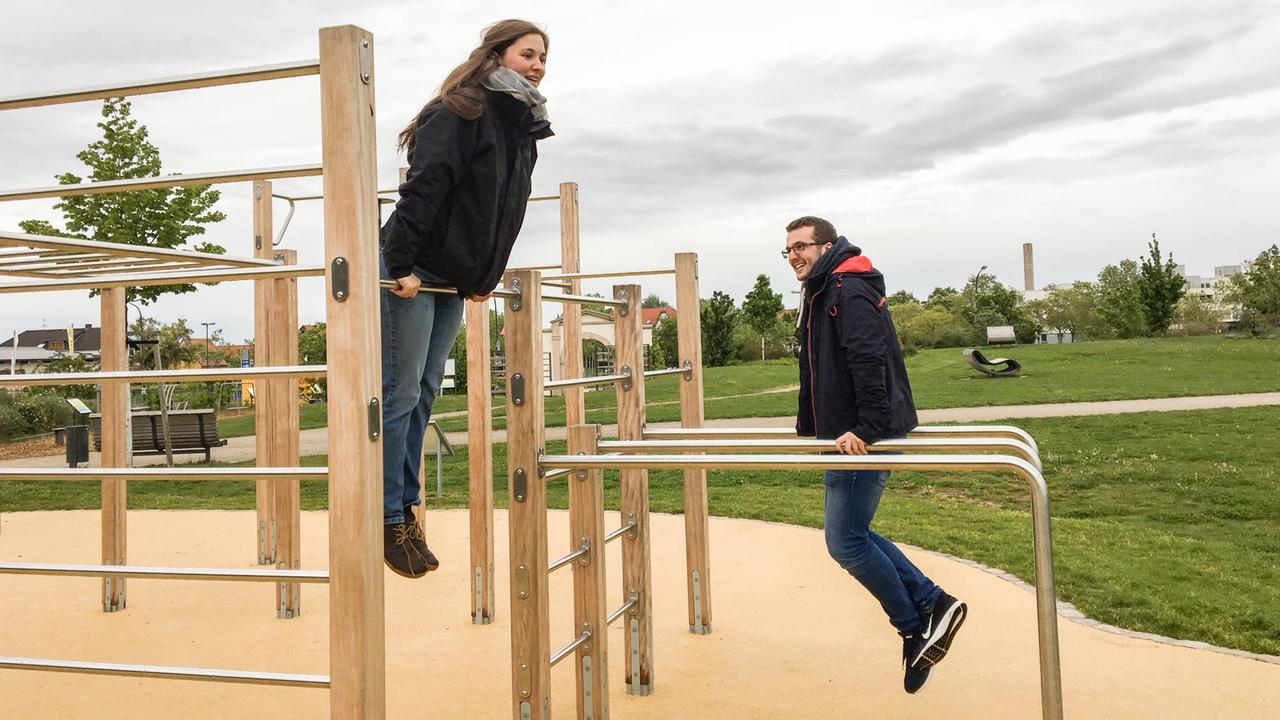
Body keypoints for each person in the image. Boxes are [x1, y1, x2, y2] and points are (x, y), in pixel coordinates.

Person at [379, 19, 553, 578]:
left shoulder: (521, 125)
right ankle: (386, 517)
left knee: (426, 393)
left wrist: (484, 275)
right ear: (497, 56)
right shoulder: (461, 110)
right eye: (528, 54)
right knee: (400, 393)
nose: (538, 65)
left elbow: (507, 211)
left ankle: (404, 507)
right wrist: (400, 265)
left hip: (453, 275)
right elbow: (425, 186)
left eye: (543, 58)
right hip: (413, 266)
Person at [786, 215, 967, 693]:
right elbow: (818, 366)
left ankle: (916, 623)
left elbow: (870, 361)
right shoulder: (826, 289)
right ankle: (932, 605)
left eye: (802, 246)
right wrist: (811, 426)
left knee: (844, 541)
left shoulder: (846, 290)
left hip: (862, 436)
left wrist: (864, 428)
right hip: (846, 434)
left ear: (826, 246)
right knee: (853, 533)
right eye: (788, 250)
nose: (794, 256)